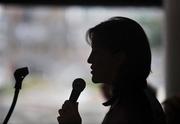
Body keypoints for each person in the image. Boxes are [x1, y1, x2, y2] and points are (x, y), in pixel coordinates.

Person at [57, 17, 166, 124]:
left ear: (119, 59)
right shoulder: (136, 100)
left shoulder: (130, 110)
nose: (89, 60)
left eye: (96, 52)